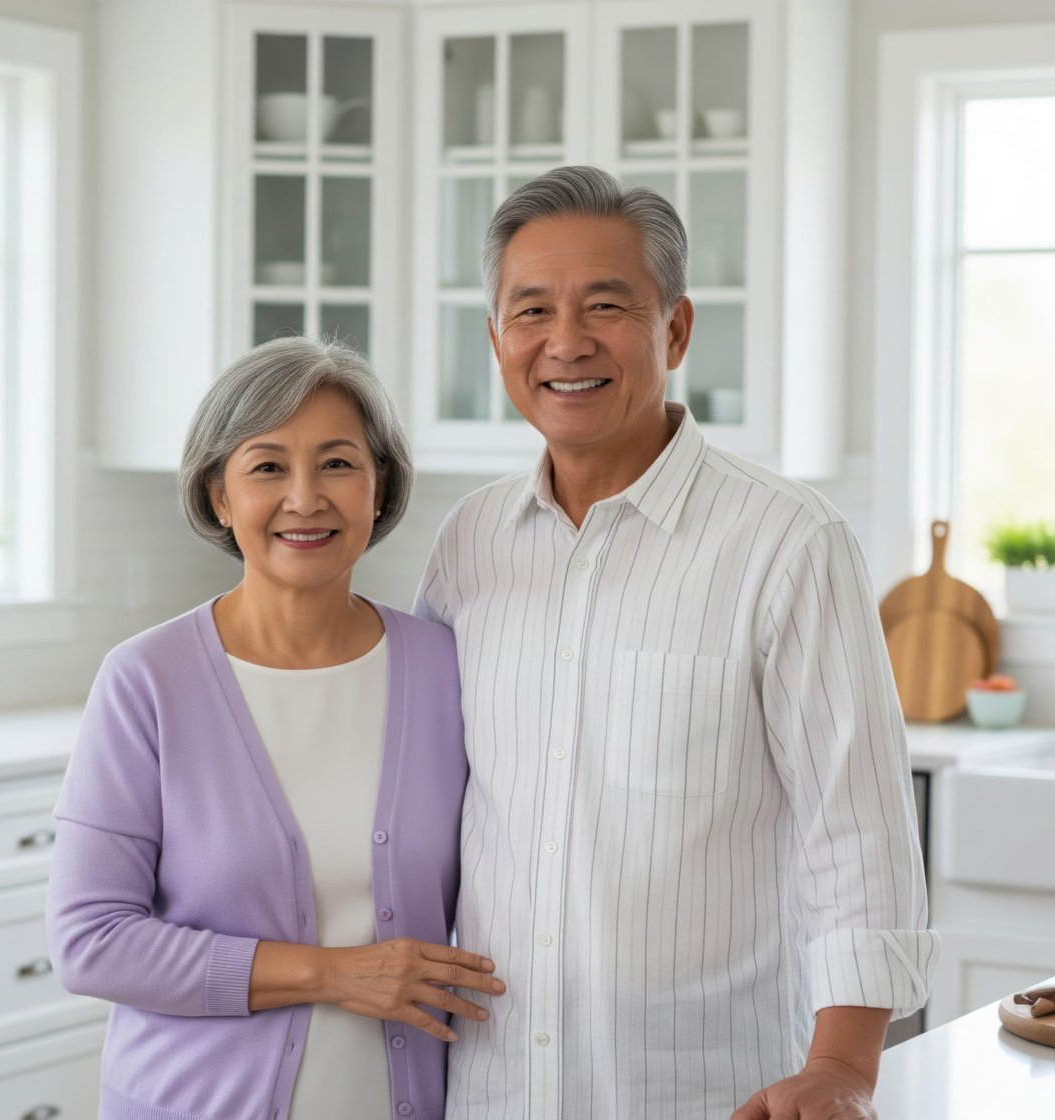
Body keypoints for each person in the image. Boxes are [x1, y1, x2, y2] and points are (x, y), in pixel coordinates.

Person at [414, 165, 938, 1120]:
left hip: (706, 1089)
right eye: (531, 312)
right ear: (496, 341)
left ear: (677, 330)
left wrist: (844, 1072)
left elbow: (856, 832)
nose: (565, 342)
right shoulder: (467, 546)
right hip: (492, 1088)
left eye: (606, 305)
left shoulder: (787, 544)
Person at [46, 336, 501, 1120]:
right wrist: (335, 973)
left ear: (378, 485)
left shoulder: (444, 667)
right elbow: (91, 940)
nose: (305, 497)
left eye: (337, 463)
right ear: (219, 495)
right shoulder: (147, 681)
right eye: (267, 467)